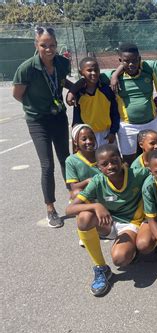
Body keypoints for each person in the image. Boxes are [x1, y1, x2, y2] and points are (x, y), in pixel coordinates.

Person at [66, 144, 149, 296]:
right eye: (104, 164)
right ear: (98, 167)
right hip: (109, 222)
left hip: (130, 224)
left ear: (121, 160)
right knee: (84, 217)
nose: (110, 166)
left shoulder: (137, 174)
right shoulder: (98, 181)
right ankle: (101, 268)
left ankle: (139, 243)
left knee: (120, 259)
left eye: (114, 161)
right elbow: (69, 209)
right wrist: (96, 205)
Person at [13, 26, 73, 228]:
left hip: (58, 117)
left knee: (66, 158)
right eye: (44, 45)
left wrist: (74, 89)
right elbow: (17, 94)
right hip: (38, 120)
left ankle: (75, 197)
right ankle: (50, 208)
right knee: (47, 164)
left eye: (52, 45)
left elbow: (62, 81)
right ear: (36, 45)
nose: (49, 49)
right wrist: (35, 107)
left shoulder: (62, 63)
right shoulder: (27, 68)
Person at [106, 42, 157, 165]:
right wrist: (115, 75)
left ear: (139, 59)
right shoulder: (113, 76)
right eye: (126, 61)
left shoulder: (147, 69)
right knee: (129, 161)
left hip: (151, 122)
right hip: (128, 126)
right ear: (120, 60)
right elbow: (91, 77)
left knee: (153, 157)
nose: (131, 64)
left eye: (134, 60)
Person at [72, 57, 120, 148]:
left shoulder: (107, 90)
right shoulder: (78, 93)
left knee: (108, 159)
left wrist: (113, 132)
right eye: (89, 70)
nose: (93, 73)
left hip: (106, 134)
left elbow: (114, 113)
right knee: (90, 161)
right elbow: (76, 117)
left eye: (96, 70)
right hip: (87, 135)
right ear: (81, 72)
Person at [65, 124, 100, 200]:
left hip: (103, 195)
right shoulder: (71, 160)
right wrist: (89, 181)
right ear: (75, 142)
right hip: (86, 195)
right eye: (84, 139)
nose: (89, 142)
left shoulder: (101, 155)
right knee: (76, 193)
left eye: (91, 138)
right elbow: (74, 187)